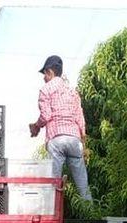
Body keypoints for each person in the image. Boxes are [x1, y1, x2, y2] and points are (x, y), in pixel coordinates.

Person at [29, 54, 92, 201]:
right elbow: (80, 120)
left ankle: (52, 215)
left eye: (44, 74)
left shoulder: (46, 90)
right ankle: (91, 212)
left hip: (57, 139)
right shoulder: (72, 92)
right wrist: (84, 143)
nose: (44, 78)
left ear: (49, 72)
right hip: (75, 140)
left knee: (54, 184)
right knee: (83, 186)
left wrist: (36, 127)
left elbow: (46, 116)